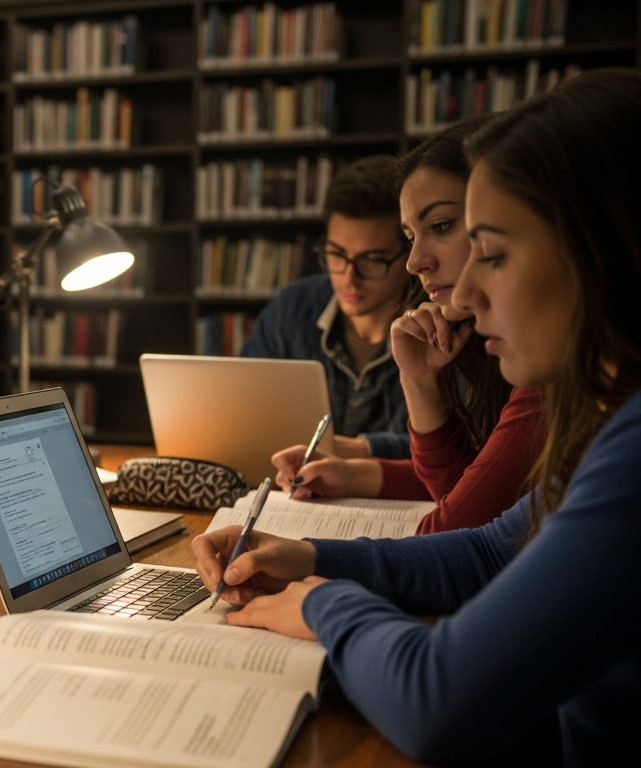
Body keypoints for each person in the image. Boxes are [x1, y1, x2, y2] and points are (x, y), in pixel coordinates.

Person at [193, 69, 641, 766]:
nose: (466, 288)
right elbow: (489, 549)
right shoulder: (608, 414)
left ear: (601, 250)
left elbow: (437, 700)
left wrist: (319, 603)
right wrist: (307, 557)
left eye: (493, 254)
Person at [269, 117, 545, 533]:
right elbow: (467, 484)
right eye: (412, 236)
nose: (417, 263)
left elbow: (459, 524)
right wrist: (417, 381)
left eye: (442, 226)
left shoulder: (548, 369)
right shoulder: (295, 308)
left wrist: (308, 560)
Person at [241, 155, 417, 460]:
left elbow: (457, 450)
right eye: (336, 254)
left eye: (372, 260)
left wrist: (358, 450)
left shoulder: (436, 326)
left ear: (411, 253)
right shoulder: (290, 310)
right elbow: (242, 410)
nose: (349, 278)